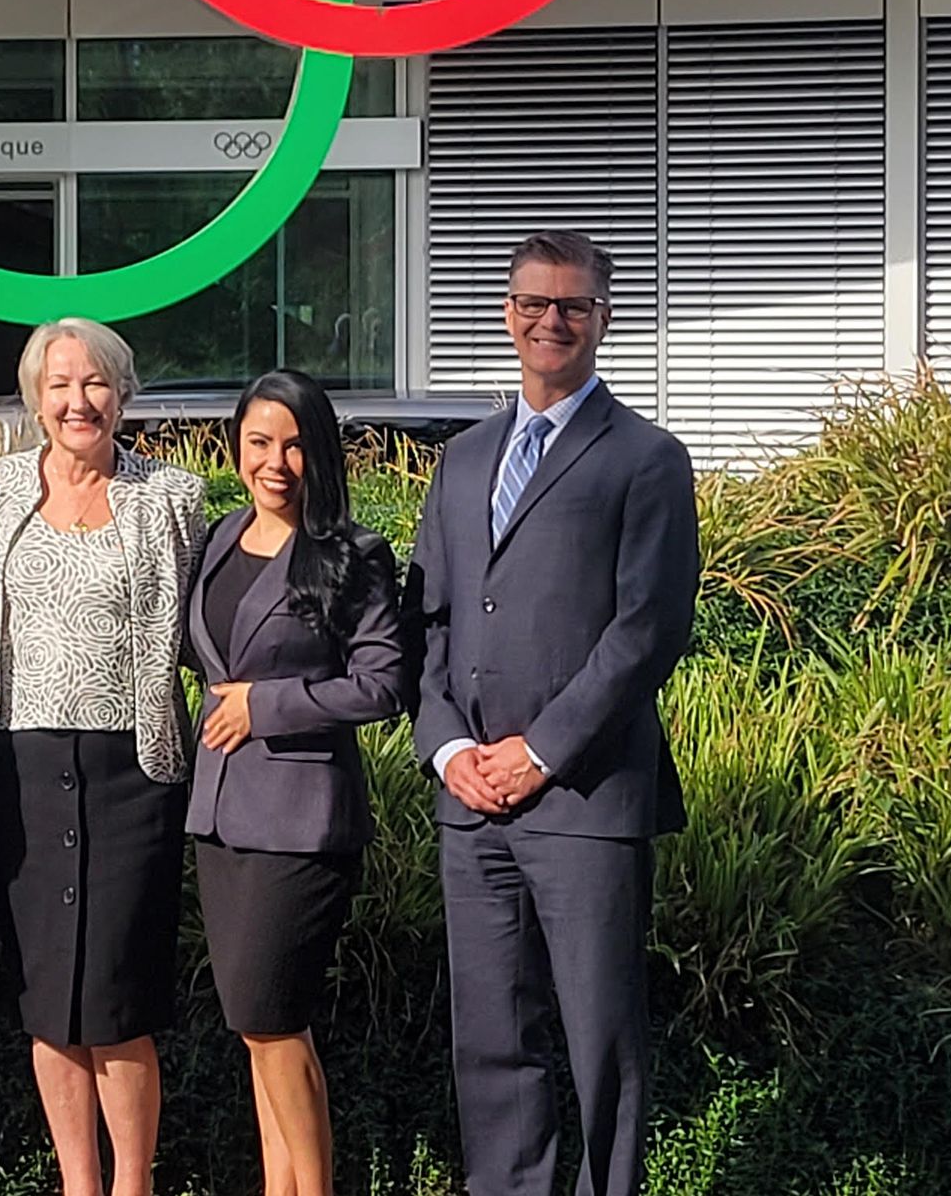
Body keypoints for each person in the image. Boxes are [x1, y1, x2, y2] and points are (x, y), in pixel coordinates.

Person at [412, 231, 696, 1196]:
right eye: (535, 303)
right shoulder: (460, 460)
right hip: (471, 805)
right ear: (508, 313)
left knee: (599, 1043)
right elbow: (433, 622)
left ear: (603, 320)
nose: (552, 321)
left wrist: (540, 750)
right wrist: (449, 747)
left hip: (584, 797)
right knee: (491, 1043)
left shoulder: (647, 458)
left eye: (572, 305)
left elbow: (646, 632)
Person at [0, 317, 206, 1196]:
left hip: (131, 773)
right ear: (36, 398)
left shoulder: (171, 498)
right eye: (61, 384)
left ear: (123, 393)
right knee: (48, 998)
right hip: (24, 770)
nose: (79, 401)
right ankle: (79, 1182)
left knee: (115, 996)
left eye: (96, 383)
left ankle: (134, 1181)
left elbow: (205, 635)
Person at [187, 370, 415, 1196]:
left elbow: (383, 686)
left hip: (300, 824)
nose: (274, 461)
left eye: (292, 444)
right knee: (258, 1032)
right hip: (220, 817)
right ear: (236, 447)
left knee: (272, 1020)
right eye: (258, 442)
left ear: (318, 452)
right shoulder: (217, 540)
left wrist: (267, 707)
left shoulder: (352, 554)